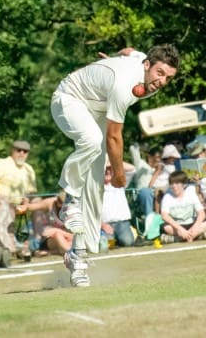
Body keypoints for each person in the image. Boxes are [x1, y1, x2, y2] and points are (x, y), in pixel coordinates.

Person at [50, 44, 179, 287]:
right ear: (148, 66)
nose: (162, 82)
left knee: (95, 185)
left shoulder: (143, 60)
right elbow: (113, 137)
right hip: (69, 98)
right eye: (159, 73)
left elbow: (129, 51)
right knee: (92, 140)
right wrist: (119, 174)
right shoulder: (124, 85)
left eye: (168, 78)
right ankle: (68, 202)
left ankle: (77, 259)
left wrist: (111, 61)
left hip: (93, 109)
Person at [0, 140, 38, 258]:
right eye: (18, 150)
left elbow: (31, 192)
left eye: (25, 151)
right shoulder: (2, 164)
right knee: (5, 209)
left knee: (41, 206)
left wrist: (26, 202)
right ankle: (8, 248)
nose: (21, 153)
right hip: (1, 202)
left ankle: (35, 244)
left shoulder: (29, 169)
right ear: (13, 151)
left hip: (20, 204)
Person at [159, 171, 206, 243]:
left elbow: (201, 213)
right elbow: (164, 216)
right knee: (167, 228)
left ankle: (177, 239)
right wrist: (180, 229)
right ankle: (196, 236)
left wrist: (194, 228)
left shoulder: (191, 191)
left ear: (184, 184)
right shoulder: (167, 196)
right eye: (172, 184)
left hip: (191, 223)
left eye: (177, 183)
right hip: (176, 225)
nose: (174, 186)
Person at [100, 161, 136, 250]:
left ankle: (125, 235)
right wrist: (102, 225)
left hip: (122, 223)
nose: (107, 171)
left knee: (128, 242)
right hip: (105, 224)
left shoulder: (119, 182)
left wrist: (112, 161)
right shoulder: (94, 187)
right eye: (105, 169)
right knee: (106, 246)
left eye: (109, 169)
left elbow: (132, 169)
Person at [129, 143, 163, 218]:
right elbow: (132, 149)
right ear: (150, 157)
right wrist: (141, 147)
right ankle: (150, 218)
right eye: (157, 157)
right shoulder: (142, 165)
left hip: (157, 193)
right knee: (146, 192)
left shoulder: (161, 168)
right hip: (142, 194)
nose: (158, 160)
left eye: (160, 157)